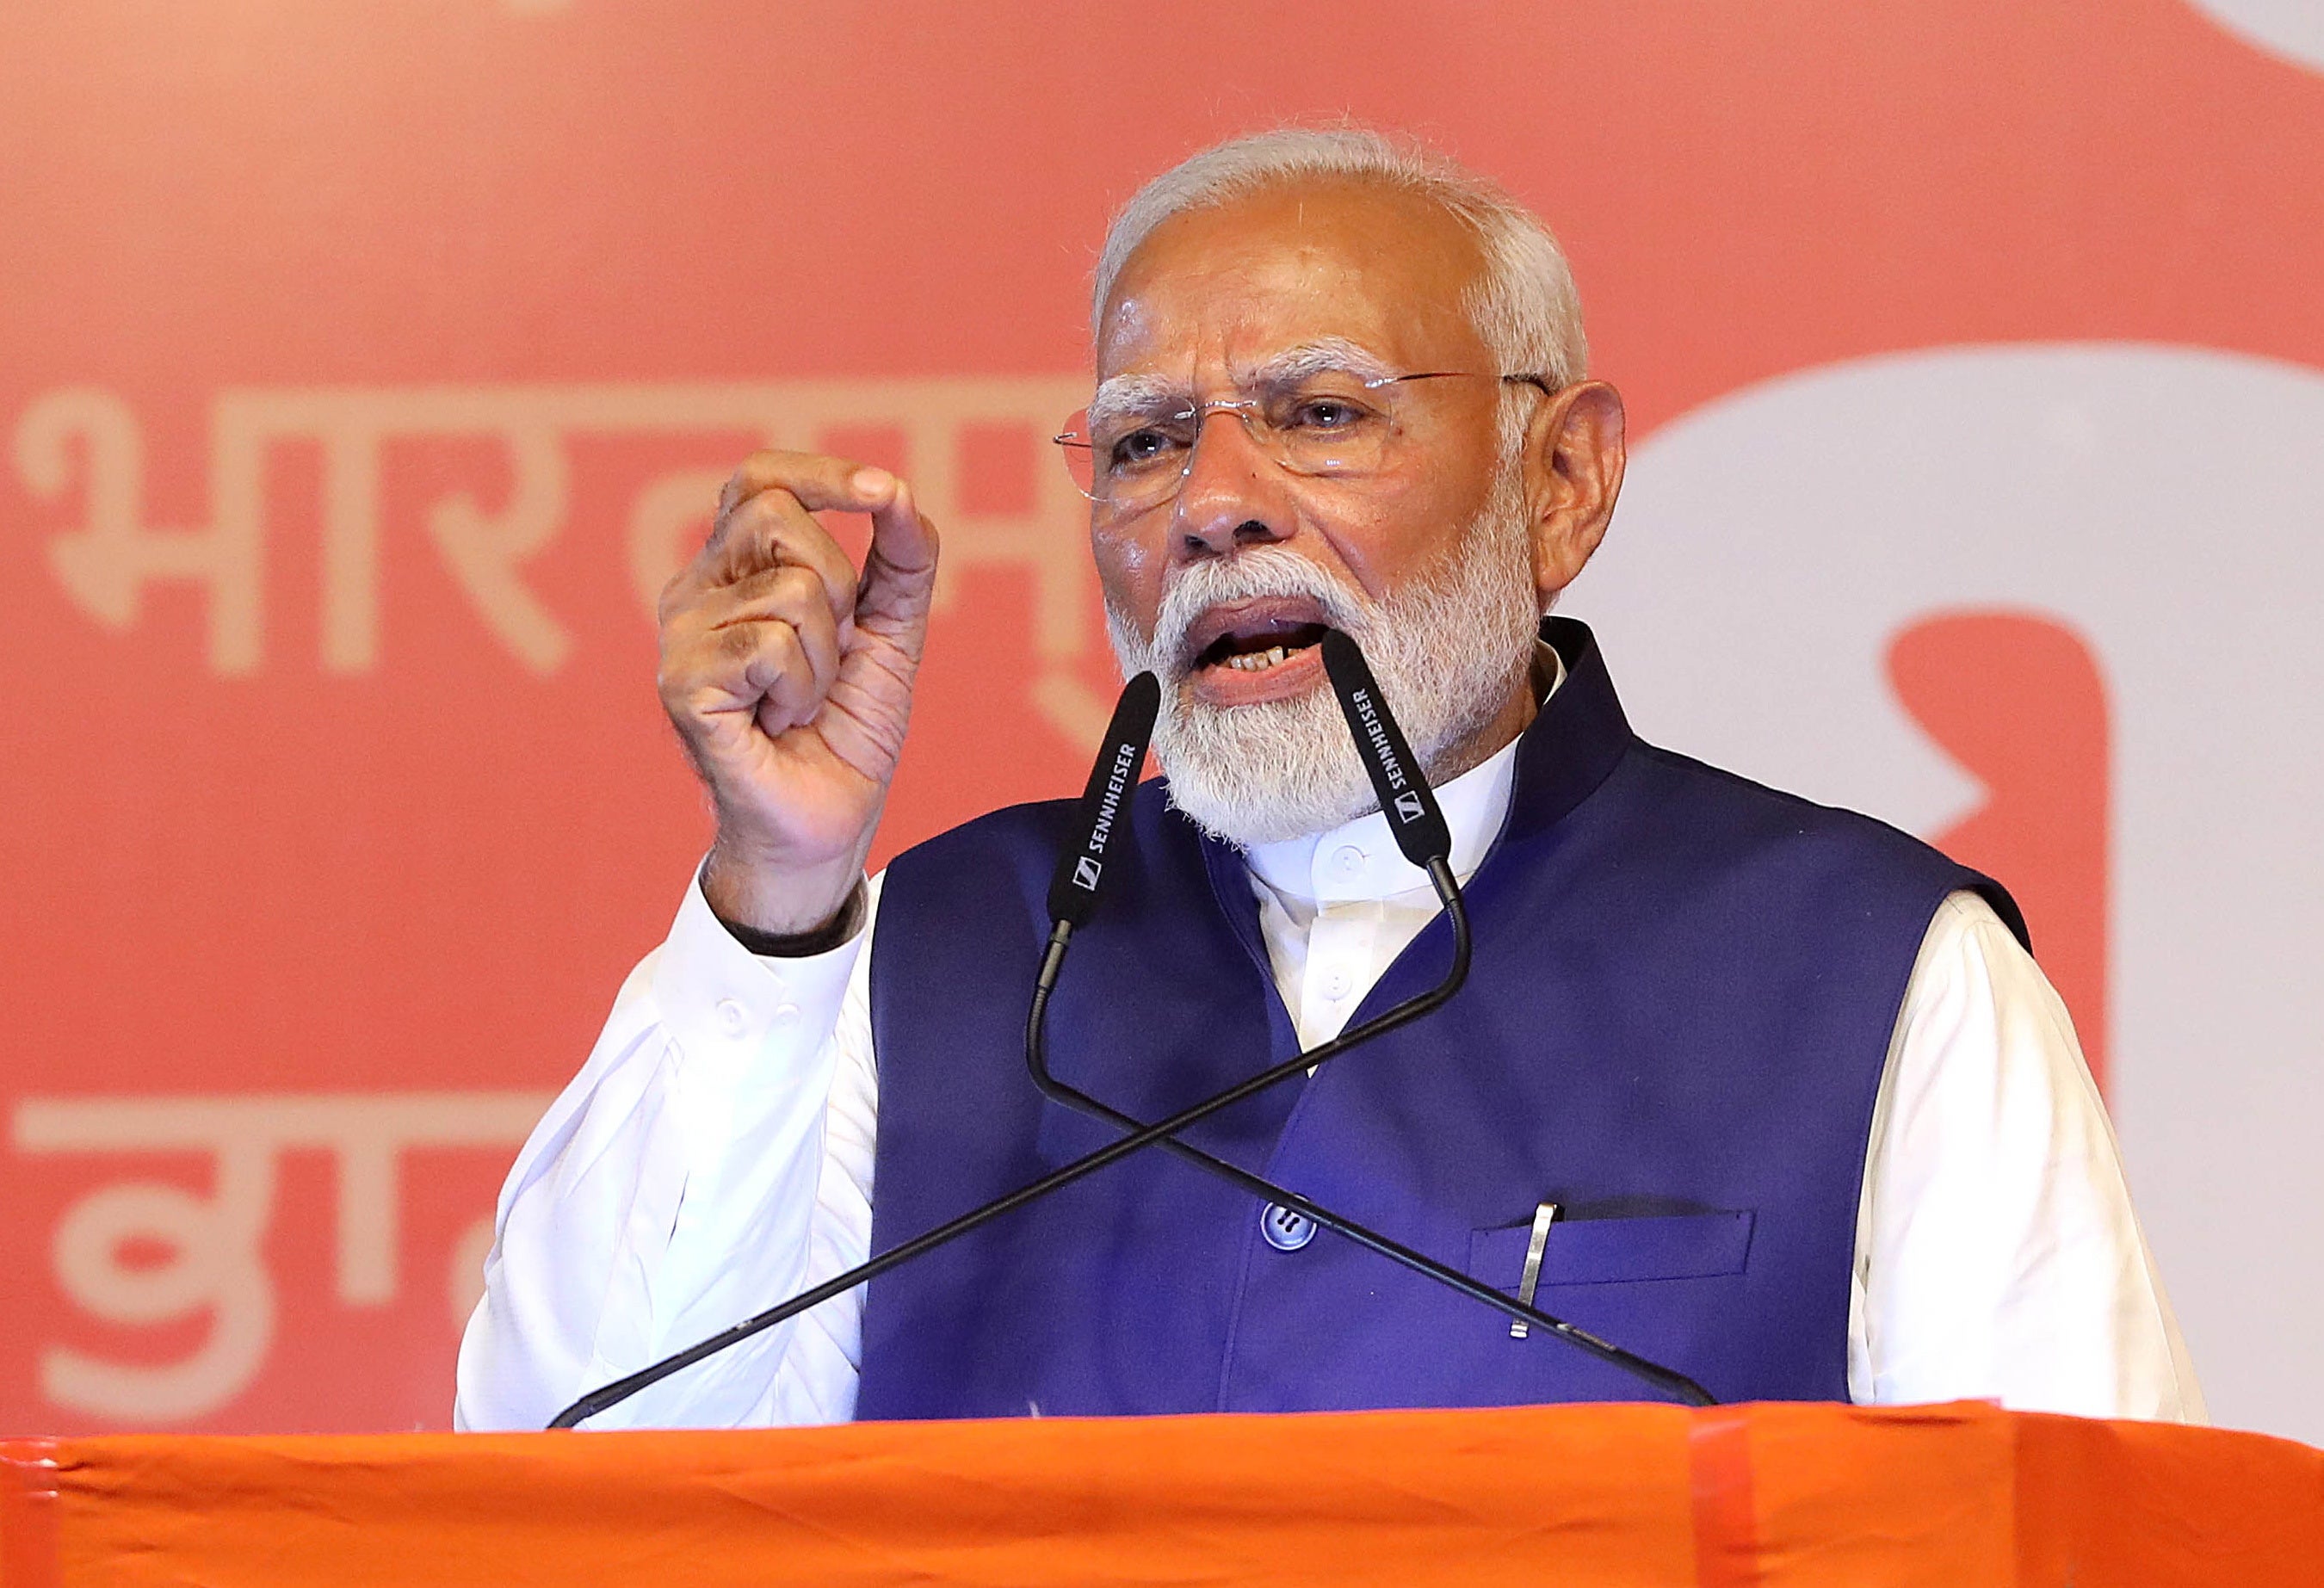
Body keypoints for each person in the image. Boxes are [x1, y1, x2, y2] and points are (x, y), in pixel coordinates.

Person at [454, 128, 2202, 1430]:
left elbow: (2071, 1529)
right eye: (1142, 441)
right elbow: (573, 1463)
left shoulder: (1873, 968)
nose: (1213, 500)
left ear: (1564, 482)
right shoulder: (928, 949)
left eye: (1320, 413)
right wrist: (775, 898)